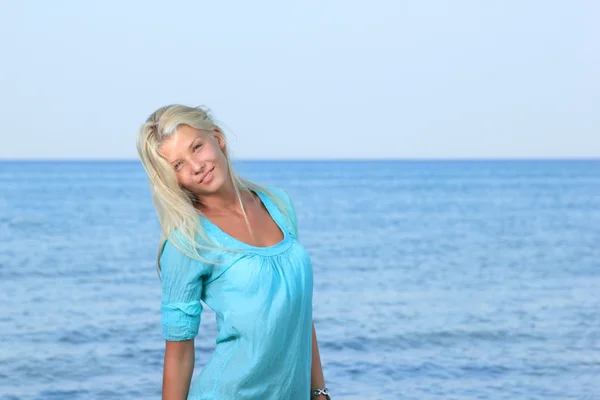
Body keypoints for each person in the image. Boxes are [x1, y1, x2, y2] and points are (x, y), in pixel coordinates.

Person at [135, 104, 331, 400]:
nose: (196, 166)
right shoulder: (187, 241)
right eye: (177, 165)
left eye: (197, 147)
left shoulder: (278, 205)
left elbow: (300, 312)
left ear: (218, 138)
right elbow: (178, 354)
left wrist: (318, 391)